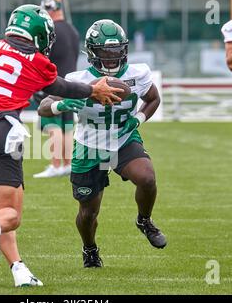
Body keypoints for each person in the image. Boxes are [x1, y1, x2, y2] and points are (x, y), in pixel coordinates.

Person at [0, 5, 122, 286]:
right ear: (39, 34)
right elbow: (60, 87)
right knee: (9, 215)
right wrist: (93, 89)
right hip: (1, 131)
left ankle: (19, 271)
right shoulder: (35, 60)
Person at [38, 19, 167, 268]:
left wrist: (137, 120)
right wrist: (61, 104)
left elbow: (153, 99)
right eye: (105, 53)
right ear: (92, 52)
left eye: (116, 51)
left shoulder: (137, 73)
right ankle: (90, 248)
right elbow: (44, 107)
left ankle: (144, 220)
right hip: (89, 145)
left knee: (147, 178)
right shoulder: (78, 79)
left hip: (123, 138)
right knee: (88, 213)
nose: (111, 58)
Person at [33, 0, 80, 178]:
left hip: (54, 83)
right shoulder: (73, 30)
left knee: (52, 124)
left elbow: (44, 58)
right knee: (67, 125)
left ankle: (55, 165)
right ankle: (67, 164)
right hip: (71, 83)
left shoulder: (51, 30)